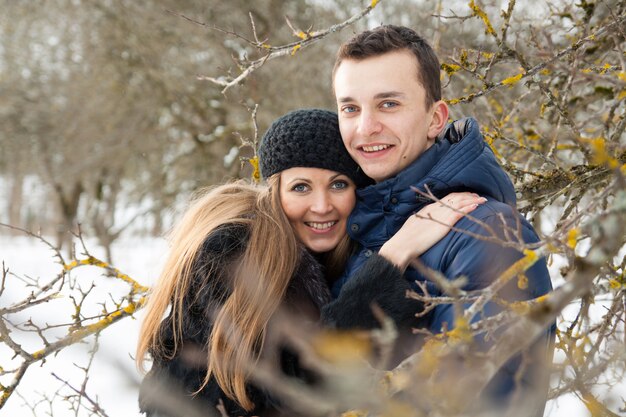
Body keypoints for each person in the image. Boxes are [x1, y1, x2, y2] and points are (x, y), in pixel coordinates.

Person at [136, 108, 485, 417]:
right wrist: (393, 257)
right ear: (276, 193)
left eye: (337, 184)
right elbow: (293, 386)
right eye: (301, 188)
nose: (321, 206)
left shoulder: (324, 258)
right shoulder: (232, 254)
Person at [330, 25, 554, 415]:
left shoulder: (489, 234)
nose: (365, 127)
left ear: (436, 119)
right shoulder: (351, 235)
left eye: (388, 104)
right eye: (350, 108)